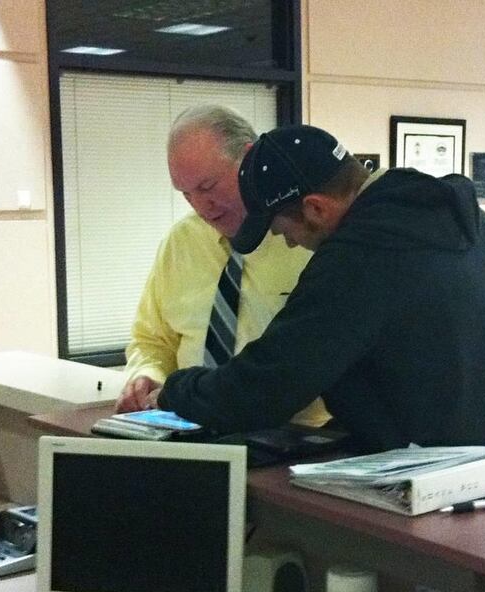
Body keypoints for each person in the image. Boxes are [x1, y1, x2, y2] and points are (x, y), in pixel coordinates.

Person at [124, 123, 485, 454]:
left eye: (283, 229)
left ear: (316, 208)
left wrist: (176, 391)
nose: (288, 242)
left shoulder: (358, 256)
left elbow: (270, 383)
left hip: (431, 482)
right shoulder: (473, 225)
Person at [115, 106, 330, 427]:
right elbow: (152, 339)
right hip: (192, 433)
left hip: (298, 440)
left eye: (207, 186)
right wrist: (146, 374)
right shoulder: (182, 242)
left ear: (249, 160)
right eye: (186, 194)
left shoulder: (308, 235)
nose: (201, 206)